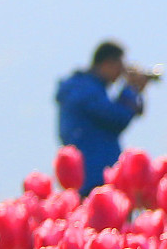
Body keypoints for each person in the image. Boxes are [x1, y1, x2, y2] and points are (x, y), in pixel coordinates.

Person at [56, 41, 157, 191]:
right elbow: (117, 118)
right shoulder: (86, 90)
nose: (119, 75)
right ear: (108, 63)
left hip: (84, 173)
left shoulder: (80, 87)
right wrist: (130, 90)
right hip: (95, 174)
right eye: (119, 68)